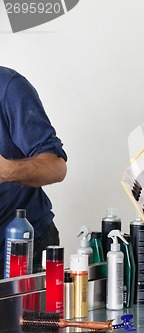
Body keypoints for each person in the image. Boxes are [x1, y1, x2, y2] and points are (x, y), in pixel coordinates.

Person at [0, 66, 67, 277]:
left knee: (32, 312)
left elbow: (56, 167)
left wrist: (8, 170)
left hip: (26, 248)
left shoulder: (9, 87)